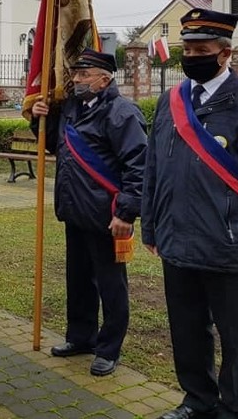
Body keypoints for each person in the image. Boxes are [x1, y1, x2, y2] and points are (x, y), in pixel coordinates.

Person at [142, 10, 238, 419]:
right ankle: (197, 400)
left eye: (201, 50)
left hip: (232, 248)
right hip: (178, 242)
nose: (192, 56)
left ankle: (234, 410)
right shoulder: (170, 102)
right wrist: (152, 225)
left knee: (237, 339)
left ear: (225, 54)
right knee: (187, 332)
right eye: (187, 49)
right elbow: (155, 167)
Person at [30, 48, 147, 377]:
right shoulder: (72, 108)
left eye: (83, 75)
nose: (76, 80)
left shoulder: (122, 113)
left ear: (104, 78)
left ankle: (108, 349)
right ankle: (81, 337)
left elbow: (138, 168)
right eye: (75, 74)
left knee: (111, 286)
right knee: (78, 281)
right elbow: (55, 145)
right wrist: (43, 116)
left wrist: (126, 213)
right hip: (75, 212)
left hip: (107, 217)